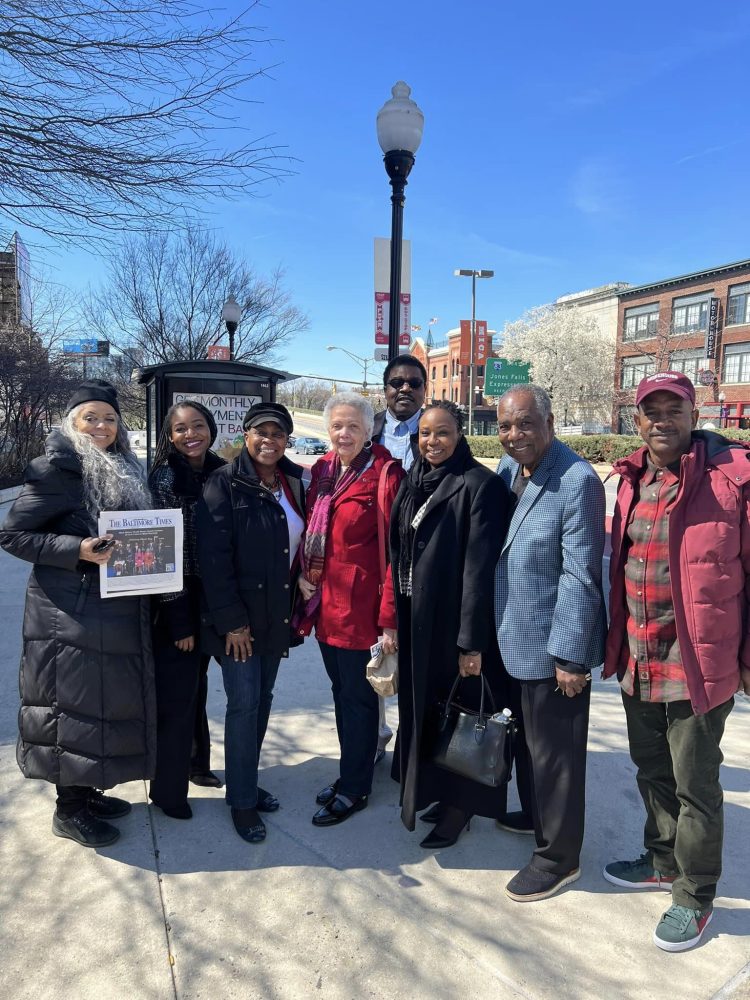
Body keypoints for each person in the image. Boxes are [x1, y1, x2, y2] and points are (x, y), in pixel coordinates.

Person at [602, 371, 750, 952]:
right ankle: (662, 859)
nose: (661, 420)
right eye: (650, 410)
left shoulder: (732, 479)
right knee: (651, 770)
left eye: (674, 409)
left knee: (697, 785)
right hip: (640, 657)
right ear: (636, 419)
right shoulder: (630, 478)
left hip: (699, 662)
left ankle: (694, 894)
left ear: (693, 415)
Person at [0, 379, 156, 848]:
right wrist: (78, 550)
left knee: (101, 703)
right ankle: (68, 809)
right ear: (72, 422)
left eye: (109, 418)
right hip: (68, 610)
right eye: (90, 417)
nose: (101, 426)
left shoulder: (124, 464)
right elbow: (13, 536)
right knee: (72, 706)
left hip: (113, 604)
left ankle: (85, 792)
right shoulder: (55, 469)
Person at [382, 401, 512, 847]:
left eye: (442, 433)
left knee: (462, 714)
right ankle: (436, 792)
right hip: (418, 622)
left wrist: (471, 644)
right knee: (432, 713)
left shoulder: (479, 485)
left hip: (455, 627)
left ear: (461, 435)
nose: (432, 442)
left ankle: (461, 809)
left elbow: (479, 570)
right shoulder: (414, 482)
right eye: (424, 434)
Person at [494, 384, 606, 901]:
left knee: (556, 756)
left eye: (525, 424)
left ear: (551, 423)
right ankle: (539, 817)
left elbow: (581, 575)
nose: (514, 435)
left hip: (551, 647)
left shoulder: (576, 480)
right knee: (526, 745)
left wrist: (570, 655)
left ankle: (558, 857)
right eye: (505, 425)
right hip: (510, 638)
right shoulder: (508, 471)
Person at [196, 402, 305, 844]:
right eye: (260, 432)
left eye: (277, 434)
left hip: (275, 616)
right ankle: (241, 802)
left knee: (262, 699)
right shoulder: (223, 483)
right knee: (243, 705)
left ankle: (246, 781)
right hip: (238, 624)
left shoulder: (293, 481)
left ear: (286, 441)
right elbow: (213, 561)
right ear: (245, 435)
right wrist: (232, 624)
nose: (268, 441)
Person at [296, 391, 404, 826]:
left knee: (358, 701)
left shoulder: (384, 475)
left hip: (364, 611)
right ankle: (350, 772)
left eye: (353, 426)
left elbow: (399, 555)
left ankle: (355, 787)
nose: (344, 433)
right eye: (337, 426)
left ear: (368, 430)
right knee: (342, 697)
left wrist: (389, 619)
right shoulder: (322, 470)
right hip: (325, 607)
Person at [147, 400, 226, 819]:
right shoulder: (164, 478)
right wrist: (179, 620)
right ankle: (168, 791)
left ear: (210, 429)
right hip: (175, 601)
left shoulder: (220, 471)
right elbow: (164, 555)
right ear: (170, 436)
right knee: (177, 697)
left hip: (212, 599)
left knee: (199, 685)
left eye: (198, 425)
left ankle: (198, 764)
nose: (190, 434)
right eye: (180, 429)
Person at [371, 353, 427, 763]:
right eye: (396, 382)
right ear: (385, 389)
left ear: (424, 390)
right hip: (374, 559)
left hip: (421, 561)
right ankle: (374, 738)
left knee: (416, 663)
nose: (404, 389)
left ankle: (414, 750)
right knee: (372, 661)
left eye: (413, 382)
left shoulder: (436, 429)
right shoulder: (367, 428)